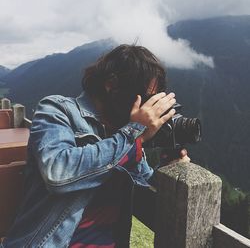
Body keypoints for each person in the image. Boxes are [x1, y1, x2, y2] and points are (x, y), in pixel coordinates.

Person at [1, 44, 189, 248]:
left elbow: (144, 183)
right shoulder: (57, 110)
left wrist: (169, 172)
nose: (147, 108)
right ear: (111, 84)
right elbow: (57, 173)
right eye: (144, 97)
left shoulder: (125, 129)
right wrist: (134, 132)